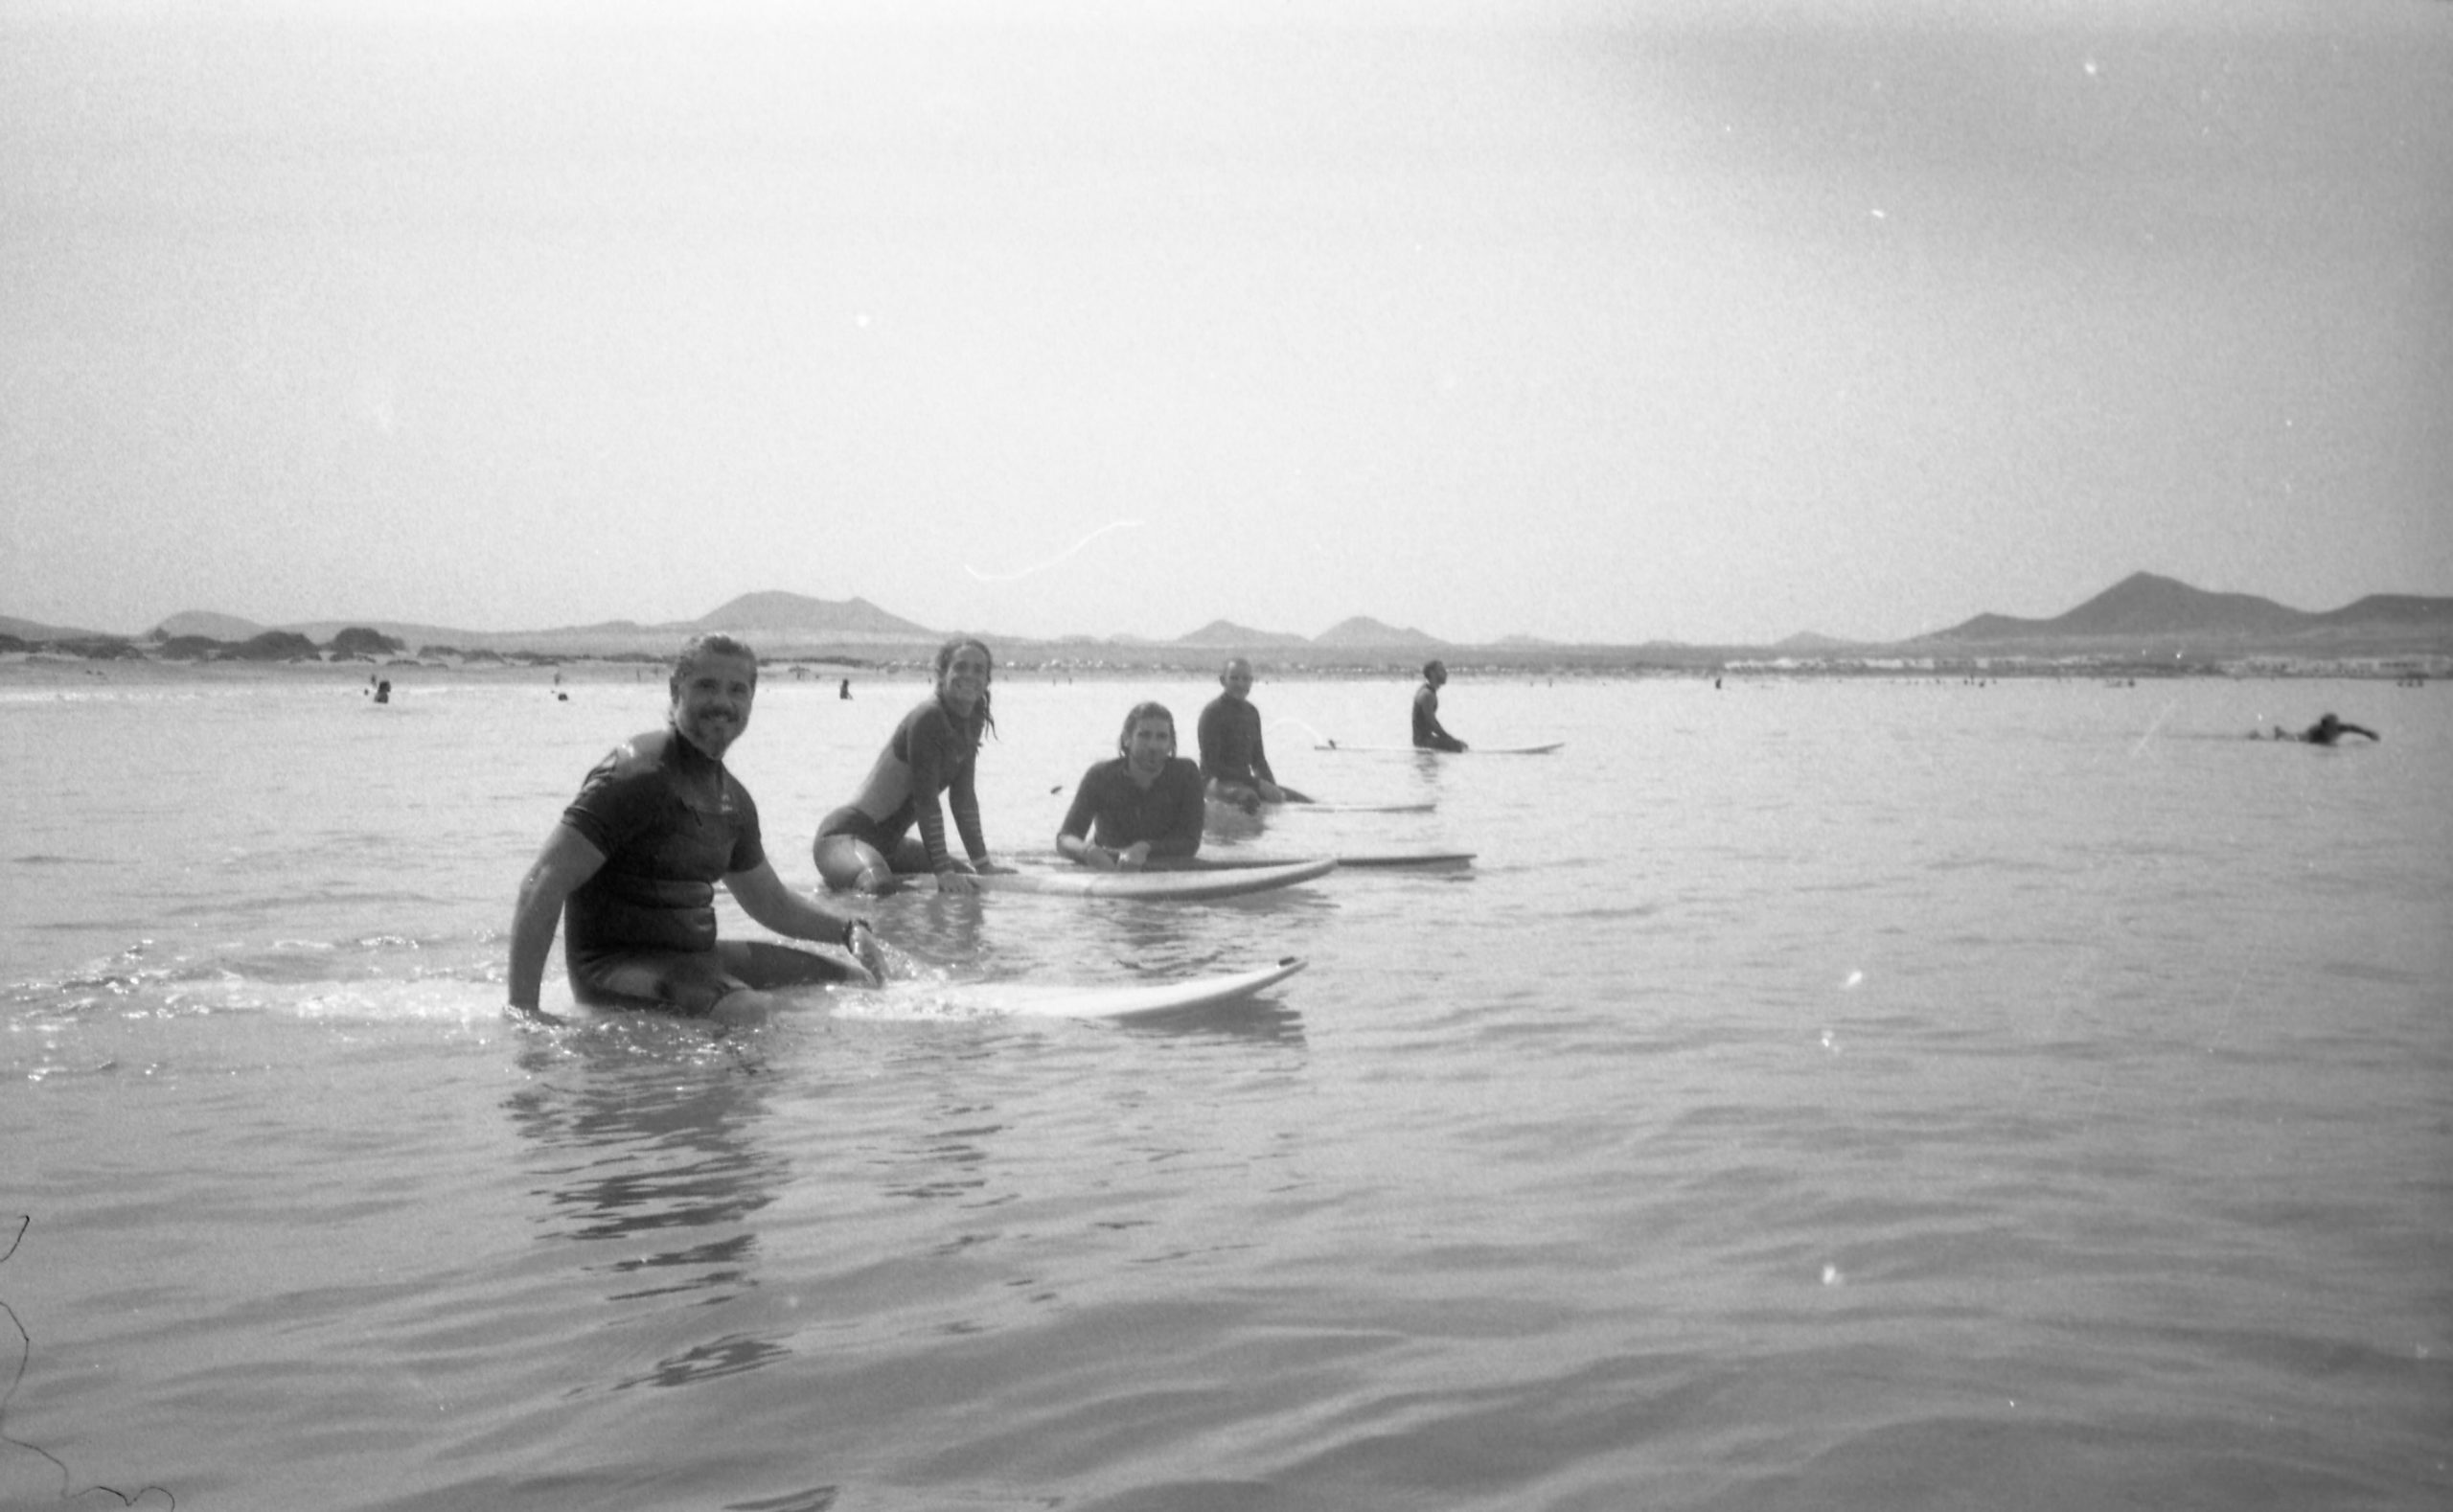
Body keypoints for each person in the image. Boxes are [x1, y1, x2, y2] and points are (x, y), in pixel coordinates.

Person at [507, 633, 889, 1023]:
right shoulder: (637, 773)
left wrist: (849, 930)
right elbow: (543, 882)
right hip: (612, 968)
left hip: (695, 959)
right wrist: (524, 1012)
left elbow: (770, 903)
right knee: (748, 1010)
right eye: (707, 686)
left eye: (737, 690)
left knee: (856, 983)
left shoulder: (733, 799)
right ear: (676, 690)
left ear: (751, 701)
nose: (722, 702)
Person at [814, 636, 1011, 894]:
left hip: (891, 846)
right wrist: (942, 872)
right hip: (845, 838)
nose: (970, 675)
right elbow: (925, 800)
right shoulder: (928, 718)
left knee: (970, 879)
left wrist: (983, 865)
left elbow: (963, 800)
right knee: (879, 885)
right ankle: (842, 891)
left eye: (978, 670)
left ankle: (847, 883)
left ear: (987, 680)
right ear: (942, 674)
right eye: (960, 667)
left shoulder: (972, 720)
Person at [1057, 701, 1206, 870]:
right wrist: (1087, 851)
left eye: (1161, 737)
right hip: (1108, 863)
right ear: (1127, 739)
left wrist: (1144, 848)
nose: (1153, 746)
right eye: (1144, 735)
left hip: (1166, 865)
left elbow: (1190, 842)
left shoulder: (1186, 774)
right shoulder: (1100, 776)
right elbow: (1065, 838)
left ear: (1171, 743)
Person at [1197, 656, 1309, 812]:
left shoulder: (1251, 712)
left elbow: (1258, 760)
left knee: (1300, 800)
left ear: (1251, 681)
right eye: (1234, 678)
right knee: (1249, 798)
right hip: (1215, 783)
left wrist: (1272, 787)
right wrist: (1257, 783)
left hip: (1244, 782)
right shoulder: (1212, 713)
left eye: (1245, 679)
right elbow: (1213, 766)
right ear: (1223, 680)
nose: (1240, 684)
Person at [1411, 659, 1466, 752]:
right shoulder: (1427, 695)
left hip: (1426, 739)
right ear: (1432, 673)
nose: (1446, 673)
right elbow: (1431, 723)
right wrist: (1450, 739)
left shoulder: (1427, 691)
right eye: (1441, 670)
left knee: (1459, 746)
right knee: (1459, 747)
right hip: (1423, 742)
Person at [2263, 713, 2379, 745]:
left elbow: (2354, 728)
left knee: (2293, 736)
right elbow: (2302, 739)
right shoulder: (2317, 733)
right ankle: (2280, 732)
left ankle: (2280, 732)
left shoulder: (2340, 728)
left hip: (2312, 735)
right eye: (2327, 725)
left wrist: (2368, 734)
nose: (2333, 727)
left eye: (2334, 724)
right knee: (2292, 738)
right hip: (2308, 735)